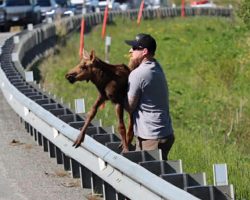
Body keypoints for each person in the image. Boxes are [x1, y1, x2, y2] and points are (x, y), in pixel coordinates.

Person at [125, 33, 175, 160]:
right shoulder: (156, 66)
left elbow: (129, 106)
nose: (130, 50)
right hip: (164, 132)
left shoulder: (138, 74)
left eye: (135, 48)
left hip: (151, 137)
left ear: (144, 52)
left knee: (150, 175)